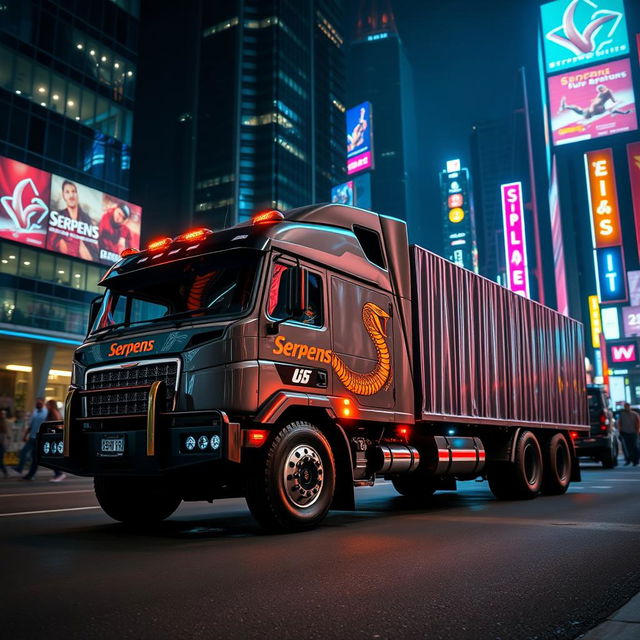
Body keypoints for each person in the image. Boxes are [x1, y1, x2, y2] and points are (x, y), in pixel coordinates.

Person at [48, 180, 99, 261]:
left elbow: (94, 254)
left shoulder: (87, 220)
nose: (71, 195)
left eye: (73, 191)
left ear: (77, 195)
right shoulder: (57, 217)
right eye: (67, 192)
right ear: (63, 195)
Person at [12, 397, 47, 480]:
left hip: (39, 439)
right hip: (31, 437)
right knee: (23, 452)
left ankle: (30, 475)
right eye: (36, 403)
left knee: (35, 458)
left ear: (43, 402)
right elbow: (31, 425)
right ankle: (20, 468)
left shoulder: (46, 413)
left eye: (39, 403)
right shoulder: (35, 412)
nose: (37, 404)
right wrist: (25, 435)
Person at [559, 85, 632, 119]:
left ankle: (564, 106)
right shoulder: (599, 109)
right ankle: (564, 106)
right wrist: (623, 112)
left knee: (576, 109)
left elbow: (574, 108)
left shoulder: (583, 111)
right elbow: (612, 110)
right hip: (595, 109)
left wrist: (565, 106)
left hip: (592, 110)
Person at [45, 400, 66, 483]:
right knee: (52, 455)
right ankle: (58, 473)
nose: (46, 406)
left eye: (47, 405)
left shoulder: (54, 412)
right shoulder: (53, 412)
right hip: (53, 436)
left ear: (51, 405)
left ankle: (59, 474)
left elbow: (58, 425)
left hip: (54, 437)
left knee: (53, 455)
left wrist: (54, 435)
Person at [0, 409, 10, 479]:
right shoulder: (4, 422)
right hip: (2, 445)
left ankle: (5, 472)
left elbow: (4, 436)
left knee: (0, 460)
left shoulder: (4, 423)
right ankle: (5, 472)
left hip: (1, 445)